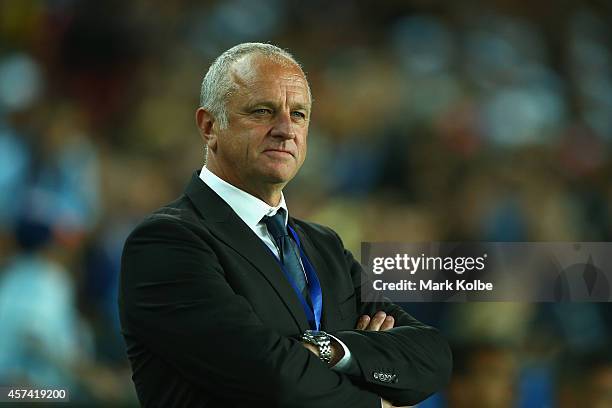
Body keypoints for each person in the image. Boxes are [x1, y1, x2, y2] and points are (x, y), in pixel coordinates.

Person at [119, 42, 451, 407]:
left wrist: (331, 349)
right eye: (262, 111)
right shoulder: (167, 241)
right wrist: (373, 397)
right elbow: (271, 377)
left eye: (299, 114)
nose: (285, 129)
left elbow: (432, 357)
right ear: (209, 126)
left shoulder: (324, 245)